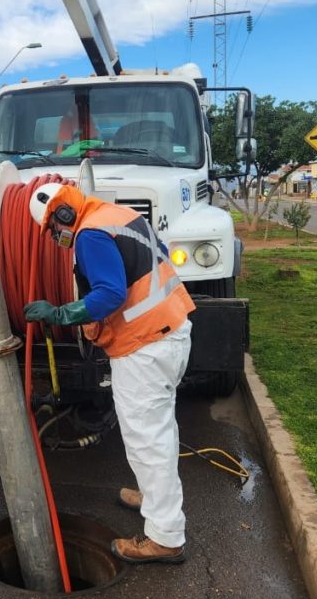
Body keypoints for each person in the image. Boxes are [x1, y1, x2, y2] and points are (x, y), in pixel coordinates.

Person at [24, 182, 195, 564]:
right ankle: (155, 501)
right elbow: (159, 258)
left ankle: (165, 537)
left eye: (53, 230)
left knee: (148, 441)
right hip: (171, 329)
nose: (55, 238)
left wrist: (59, 313)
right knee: (158, 431)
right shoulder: (120, 216)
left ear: (62, 216)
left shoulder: (89, 235)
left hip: (144, 347)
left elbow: (110, 294)